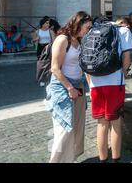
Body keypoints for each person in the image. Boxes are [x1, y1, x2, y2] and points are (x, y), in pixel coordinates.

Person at [46, 11, 93, 163]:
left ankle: (69, 159)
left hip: (78, 85)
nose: (88, 31)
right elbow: (54, 68)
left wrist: (90, 87)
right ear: (77, 25)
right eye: (87, 27)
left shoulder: (80, 41)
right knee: (64, 128)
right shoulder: (62, 40)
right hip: (62, 86)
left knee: (77, 126)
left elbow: (83, 67)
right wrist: (69, 88)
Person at [86, 17, 132, 163]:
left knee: (101, 123)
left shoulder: (91, 32)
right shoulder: (123, 31)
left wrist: (90, 84)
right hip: (114, 82)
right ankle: (116, 159)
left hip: (95, 83)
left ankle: (102, 160)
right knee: (116, 123)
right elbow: (126, 57)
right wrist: (124, 73)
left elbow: (86, 60)